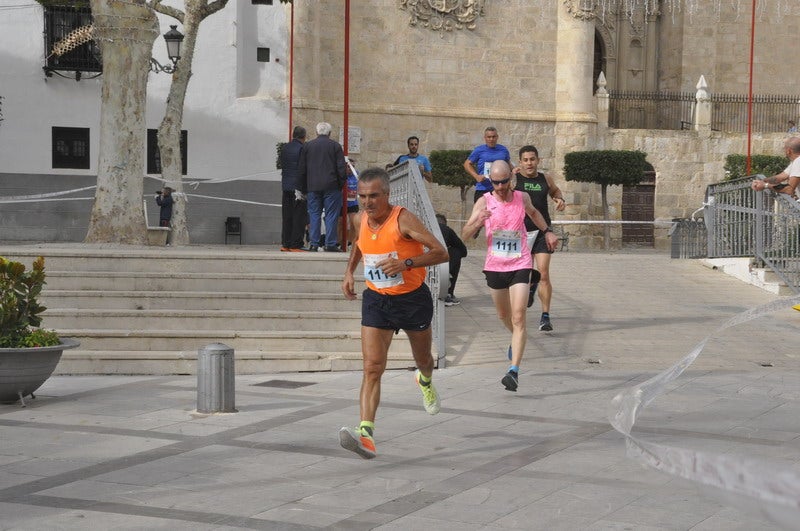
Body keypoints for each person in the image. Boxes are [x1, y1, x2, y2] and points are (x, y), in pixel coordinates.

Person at [339, 167, 449, 459]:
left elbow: (441, 252)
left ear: (386, 194)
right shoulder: (360, 218)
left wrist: (407, 263)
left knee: (424, 360)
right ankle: (366, 434)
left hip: (412, 300)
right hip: (377, 299)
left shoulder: (403, 219)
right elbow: (360, 245)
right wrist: (349, 272)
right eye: (361, 196)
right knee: (372, 367)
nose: (367, 202)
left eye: (373, 196)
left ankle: (424, 381)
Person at [461, 161, 558, 392]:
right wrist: (477, 221)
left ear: (511, 180)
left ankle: (513, 371)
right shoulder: (484, 201)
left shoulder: (522, 197)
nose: (501, 186)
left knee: (518, 317)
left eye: (505, 181)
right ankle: (517, 339)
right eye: (496, 182)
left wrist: (548, 232)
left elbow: (534, 214)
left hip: (520, 263)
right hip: (495, 266)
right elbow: (464, 235)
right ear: (491, 181)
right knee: (503, 315)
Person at [514, 145, 566, 331]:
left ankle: (545, 316)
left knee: (544, 272)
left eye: (532, 159)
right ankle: (530, 286)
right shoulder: (514, 179)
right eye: (526, 160)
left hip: (543, 231)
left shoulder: (545, 178)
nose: (529, 163)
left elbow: (555, 191)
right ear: (520, 162)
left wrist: (559, 199)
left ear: (538, 160)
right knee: (523, 273)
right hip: (520, 233)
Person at [298, 122, 347, 252]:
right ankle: (330, 243)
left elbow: (302, 169)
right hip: (332, 186)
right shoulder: (336, 146)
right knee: (331, 215)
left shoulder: (307, 146)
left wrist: (303, 188)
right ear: (330, 133)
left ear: (316, 132)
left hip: (313, 186)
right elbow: (341, 168)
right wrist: (341, 184)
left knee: (314, 214)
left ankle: (314, 243)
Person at [463, 126, 511, 204]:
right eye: (489, 137)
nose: (491, 139)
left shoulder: (503, 150)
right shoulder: (479, 150)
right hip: (483, 189)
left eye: (493, 137)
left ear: (497, 137)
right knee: (481, 214)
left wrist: (515, 171)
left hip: (500, 189)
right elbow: (467, 164)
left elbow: (508, 165)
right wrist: (476, 176)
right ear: (485, 138)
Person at [280, 125, 308, 252]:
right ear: (303, 137)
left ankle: (285, 243)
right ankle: (296, 244)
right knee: (298, 216)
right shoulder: (303, 149)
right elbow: (303, 169)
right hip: (297, 187)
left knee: (287, 215)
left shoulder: (285, 148)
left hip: (286, 186)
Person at [435, 213, 467, 306]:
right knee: (456, 252)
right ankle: (449, 293)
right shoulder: (447, 230)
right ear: (445, 223)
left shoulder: (424, 229)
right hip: (441, 263)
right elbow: (463, 251)